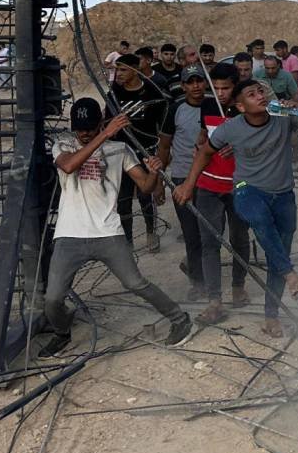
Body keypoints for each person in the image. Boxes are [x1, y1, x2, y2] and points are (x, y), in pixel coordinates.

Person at [39, 101, 191, 357]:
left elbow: (144, 186)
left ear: (100, 122)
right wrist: (103, 135)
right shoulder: (64, 145)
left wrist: (155, 172)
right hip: (70, 233)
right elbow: (68, 166)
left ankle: (180, 319)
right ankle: (62, 332)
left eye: (90, 128)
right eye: (80, 129)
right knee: (53, 298)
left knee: (136, 283)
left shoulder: (119, 149)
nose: (84, 133)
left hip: (108, 231)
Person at [200, 79, 298, 338]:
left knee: (279, 251)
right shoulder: (231, 129)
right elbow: (205, 152)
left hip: (283, 194)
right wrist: (188, 183)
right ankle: (290, 275)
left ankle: (271, 316)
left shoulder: (281, 117)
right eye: (252, 95)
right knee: (260, 221)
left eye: (261, 91)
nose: (260, 96)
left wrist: (294, 108)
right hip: (248, 189)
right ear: (241, 106)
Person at [173, 63, 251, 325]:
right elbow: (205, 135)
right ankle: (214, 301)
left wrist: (240, 145)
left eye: (226, 88)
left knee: (240, 237)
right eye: (215, 87)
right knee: (210, 242)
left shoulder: (248, 107)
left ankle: (239, 285)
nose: (220, 93)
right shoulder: (207, 106)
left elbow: (262, 140)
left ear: (236, 85)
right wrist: (202, 139)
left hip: (239, 184)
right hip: (209, 184)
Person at [157, 68, 212, 301]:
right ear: (183, 85)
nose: (196, 86)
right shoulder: (175, 110)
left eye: (200, 81)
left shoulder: (215, 106)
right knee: (191, 233)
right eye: (191, 82)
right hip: (181, 177)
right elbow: (164, 147)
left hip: (211, 178)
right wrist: (159, 182)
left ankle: (211, 278)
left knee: (210, 232)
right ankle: (198, 283)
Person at [106, 54, 169, 251]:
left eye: (123, 69)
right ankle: (128, 242)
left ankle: (151, 232)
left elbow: (162, 130)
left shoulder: (151, 92)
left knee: (145, 195)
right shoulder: (113, 93)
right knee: (123, 200)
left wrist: (159, 172)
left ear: (135, 70)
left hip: (145, 151)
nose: (118, 74)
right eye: (117, 69)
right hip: (120, 153)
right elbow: (106, 122)